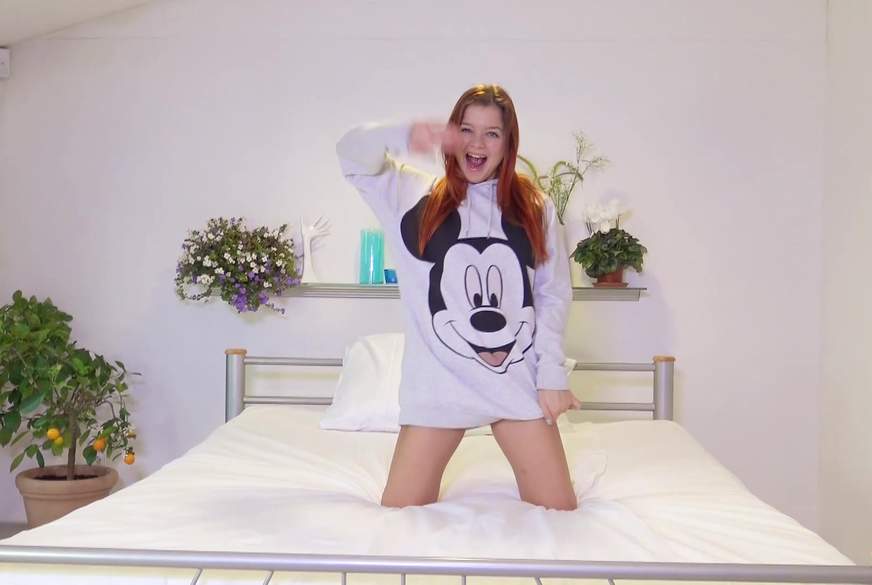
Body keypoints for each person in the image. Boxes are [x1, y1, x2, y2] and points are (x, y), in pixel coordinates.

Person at [336, 84, 580, 511]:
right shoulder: (412, 195)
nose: (477, 144)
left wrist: (552, 376)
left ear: (508, 143)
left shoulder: (533, 206)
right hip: (439, 385)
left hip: (514, 383)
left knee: (560, 512)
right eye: (466, 130)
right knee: (397, 516)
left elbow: (551, 294)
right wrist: (407, 133)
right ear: (452, 134)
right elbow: (350, 153)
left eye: (491, 133)